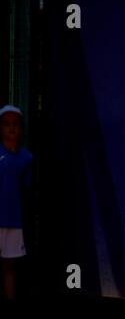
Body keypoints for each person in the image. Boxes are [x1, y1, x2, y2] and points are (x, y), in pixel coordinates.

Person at [0, 105, 33, 300]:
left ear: (21, 128)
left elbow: (27, 190)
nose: (11, 128)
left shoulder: (27, 157)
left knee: (9, 267)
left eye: (15, 124)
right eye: (6, 124)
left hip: (14, 222)